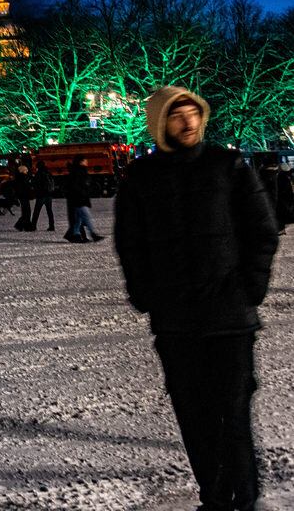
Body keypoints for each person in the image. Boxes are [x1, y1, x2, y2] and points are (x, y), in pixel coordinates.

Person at [114, 86, 279, 511]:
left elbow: (262, 229)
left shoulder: (227, 165)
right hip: (176, 320)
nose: (187, 122)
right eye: (176, 115)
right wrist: (146, 294)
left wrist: (250, 288)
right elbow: (130, 243)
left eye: (193, 113)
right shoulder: (141, 176)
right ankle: (213, 498)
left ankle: (243, 500)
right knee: (194, 418)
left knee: (233, 417)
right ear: (159, 123)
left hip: (230, 316)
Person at [64, 156, 102, 243]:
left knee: (79, 219)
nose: (87, 162)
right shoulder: (79, 172)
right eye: (85, 160)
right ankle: (93, 234)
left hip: (79, 199)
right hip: (80, 199)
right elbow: (78, 186)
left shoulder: (79, 171)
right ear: (81, 162)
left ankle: (75, 234)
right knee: (86, 217)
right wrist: (84, 193)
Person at [30, 162, 55, 231]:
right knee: (49, 211)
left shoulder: (39, 174)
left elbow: (35, 183)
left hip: (41, 195)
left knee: (36, 211)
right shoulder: (48, 173)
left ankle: (33, 226)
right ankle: (52, 226)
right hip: (49, 195)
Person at [12, 164, 34, 231]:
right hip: (24, 196)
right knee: (27, 212)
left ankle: (22, 225)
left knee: (25, 211)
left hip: (22, 196)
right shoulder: (24, 177)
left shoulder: (19, 178)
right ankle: (23, 225)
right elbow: (26, 188)